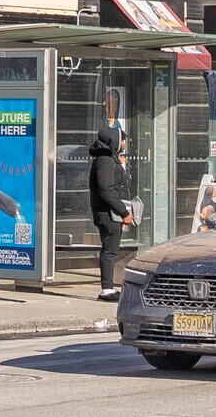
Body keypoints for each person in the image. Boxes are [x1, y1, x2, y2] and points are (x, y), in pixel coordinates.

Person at [89, 126, 133, 301]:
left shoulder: (109, 158)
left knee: (111, 249)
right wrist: (123, 212)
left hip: (112, 213)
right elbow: (106, 190)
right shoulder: (105, 160)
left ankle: (108, 288)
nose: (124, 143)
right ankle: (106, 289)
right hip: (109, 213)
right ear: (114, 140)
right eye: (122, 139)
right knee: (110, 251)